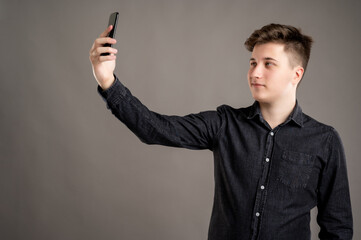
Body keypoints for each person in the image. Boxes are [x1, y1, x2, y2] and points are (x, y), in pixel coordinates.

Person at [89, 23, 353, 240]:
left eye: (268, 64)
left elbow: (337, 227)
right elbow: (156, 129)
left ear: (296, 74)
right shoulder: (225, 123)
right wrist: (107, 81)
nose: (255, 72)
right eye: (252, 63)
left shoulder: (324, 140)